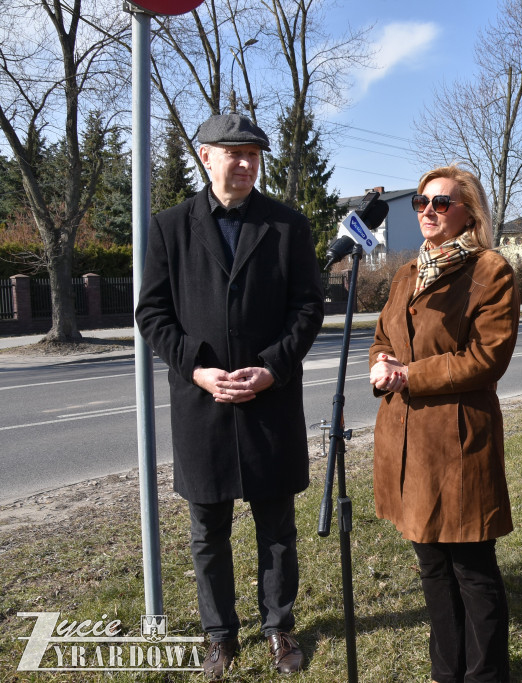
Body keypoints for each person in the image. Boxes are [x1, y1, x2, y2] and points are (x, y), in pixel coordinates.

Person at [136, 113, 323, 680]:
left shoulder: (288, 226)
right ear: (204, 156)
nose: (243, 163)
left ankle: (279, 628)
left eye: (252, 154)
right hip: (203, 407)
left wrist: (270, 369)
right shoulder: (169, 226)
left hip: (269, 403)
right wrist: (196, 369)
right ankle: (219, 635)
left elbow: (308, 308)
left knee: (277, 530)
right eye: (232, 152)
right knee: (207, 533)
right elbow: (152, 312)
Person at [368, 165, 520, 683]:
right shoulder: (407, 273)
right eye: (421, 203)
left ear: (468, 213)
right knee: (432, 567)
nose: (428, 211)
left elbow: (487, 358)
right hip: (407, 442)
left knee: (472, 572)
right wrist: (381, 363)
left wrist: (410, 374)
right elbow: (384, 335)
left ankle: (485, 676)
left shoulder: (490, 271)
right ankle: (445, 673)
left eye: (441, 203)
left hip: (457, 442)